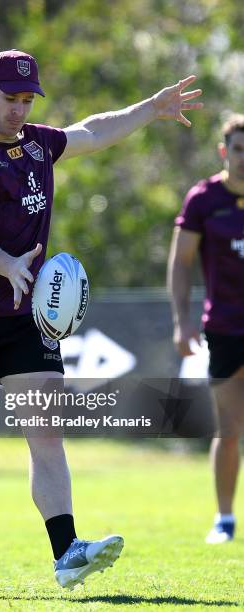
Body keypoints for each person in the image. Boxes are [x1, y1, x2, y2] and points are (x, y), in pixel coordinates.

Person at [0, 49, 203, 594]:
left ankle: (66, 552)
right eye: (10, 98)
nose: (19, 110)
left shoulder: (37, 144)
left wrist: (150, 107)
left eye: (28, 100)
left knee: (45, 430)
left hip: (24, 316)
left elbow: (92, 131)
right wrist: (8, 265)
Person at [168, 114, 244, 544]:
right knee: (229, 428)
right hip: (226, 329)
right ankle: (225, 520)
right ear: (224, 151)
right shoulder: (204, 200)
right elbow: (180, 264)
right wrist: (181, 321)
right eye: (238, 149)